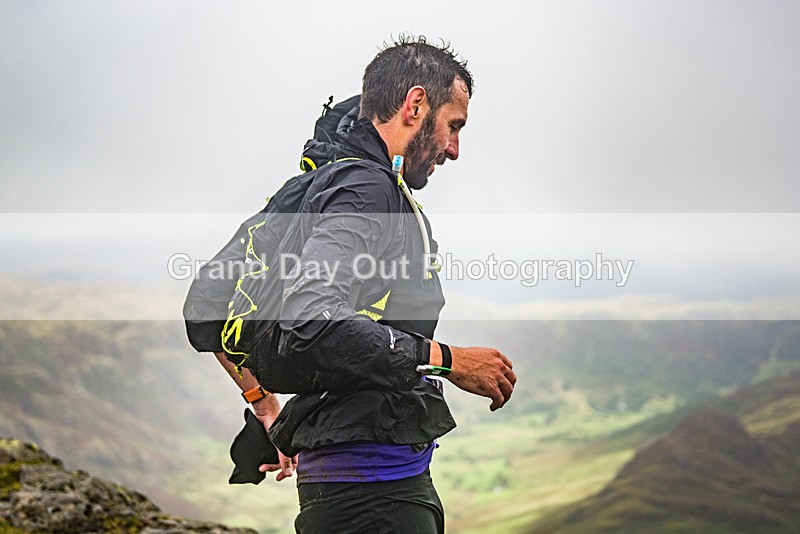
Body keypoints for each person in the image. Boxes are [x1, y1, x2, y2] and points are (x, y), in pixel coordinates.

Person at [214, 35, 516, 533]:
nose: (455, 150)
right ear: (416, 105)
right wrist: (449, 359)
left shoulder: (325, 184)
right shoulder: (366, 191)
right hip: (375, 498)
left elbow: (206, 310)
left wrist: (263, 404)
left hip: (349, 489)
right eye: (453, 126)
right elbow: (312, 317)